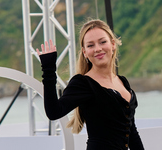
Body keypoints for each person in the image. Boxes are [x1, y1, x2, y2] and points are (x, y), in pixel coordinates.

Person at [36, 19, 144, 150]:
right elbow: (53, 112)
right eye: (90, 45)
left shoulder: (122, 82)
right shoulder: (83, 83)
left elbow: (132, 133)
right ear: (85, 52)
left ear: (113, 44)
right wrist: (48, 70)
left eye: (103, 42)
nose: (98, 49)